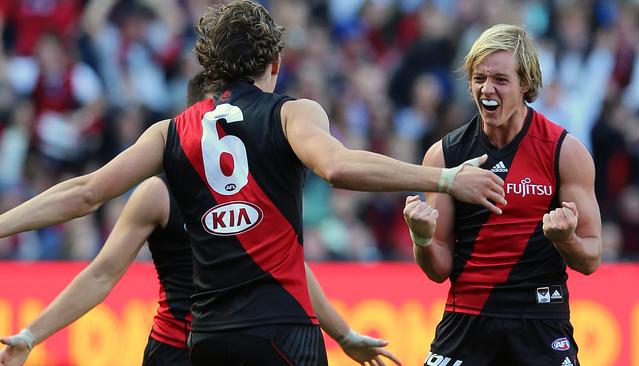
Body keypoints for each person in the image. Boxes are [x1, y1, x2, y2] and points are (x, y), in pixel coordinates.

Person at [0, 1, 506, 365]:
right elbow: (338, 166)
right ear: (276, 64)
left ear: (211, 67)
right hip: (282, 332)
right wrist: (444, 177)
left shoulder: (168, 132)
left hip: (207, 341)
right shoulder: (294, 113)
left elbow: (85, 192)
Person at [0, 74, 401, 366]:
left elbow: (290, 268)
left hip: (232, 340)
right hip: (176, 349)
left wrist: (344, 335)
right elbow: (101, 273)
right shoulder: (158, 193)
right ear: (196, 117)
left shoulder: (254, 184)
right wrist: (31, 335)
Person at [403, 24, 602, 366]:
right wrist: (421, 239)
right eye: (479, 78)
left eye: (500, 79)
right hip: (467, 320)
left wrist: (565, 239)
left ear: (525, 84)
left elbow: (591, 258)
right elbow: (438, 270)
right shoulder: (445, 154)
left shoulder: (564, 152)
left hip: (540, 321)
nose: (487, 89)